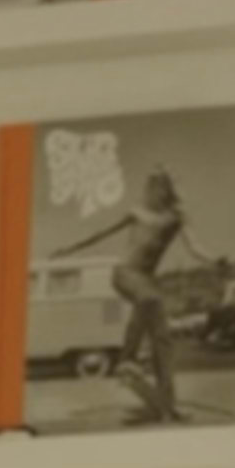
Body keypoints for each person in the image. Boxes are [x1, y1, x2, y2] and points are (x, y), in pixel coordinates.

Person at [50, 165, 218, 424]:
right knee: (150, 299)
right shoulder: (136, 212)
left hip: (147, 281)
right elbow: (101, 232)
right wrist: (70, 250)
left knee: (163, 345)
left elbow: (195, 246)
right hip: (125, 274)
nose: (154, 194)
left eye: (161, 189)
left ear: (167, 192)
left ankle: (167, 408)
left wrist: (213, 260)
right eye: (153, 189)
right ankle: (128, 358)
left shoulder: (178, 217)